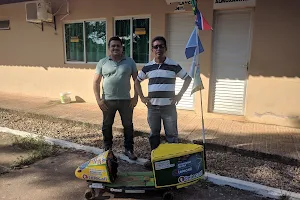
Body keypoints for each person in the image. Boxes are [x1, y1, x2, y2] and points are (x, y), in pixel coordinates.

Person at [134, 36, 192, 169]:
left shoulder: (173, 65)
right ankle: (154, 159)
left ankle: (173, 161)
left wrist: (180, 95)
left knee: (171, 136)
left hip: (169, 108)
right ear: (152, 50)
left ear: (165, 48)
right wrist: (142, 97)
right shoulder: (148, 67)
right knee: (154, 135)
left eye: (161, 46)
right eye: (155, 46)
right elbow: (137, 81)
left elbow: (188, 79)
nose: (158, 49)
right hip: (152, 108)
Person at [93, 36, 138, 160]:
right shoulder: (102, 62)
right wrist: (98, 100)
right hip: (107, 100)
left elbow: (136, 81)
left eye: (118, 45)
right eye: (113, 46)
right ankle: (107, 149)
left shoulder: (130, 62)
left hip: (126, 101)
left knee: (128, 125)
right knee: (107, 125)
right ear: (109, 48)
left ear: (122, 47)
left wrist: (135, 97)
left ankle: (129, 149)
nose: (115, 48)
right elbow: (96, 82)